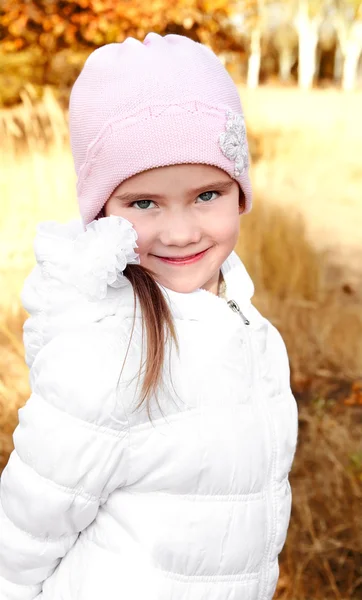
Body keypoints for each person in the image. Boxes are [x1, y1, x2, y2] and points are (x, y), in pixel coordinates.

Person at [0, 32, 298, 600]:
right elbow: (22, 538)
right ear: (102, 213)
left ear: (240, 192)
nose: (181, 232)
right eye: (143, 203)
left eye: (207, 194)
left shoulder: (248, 326)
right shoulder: (109, 351)